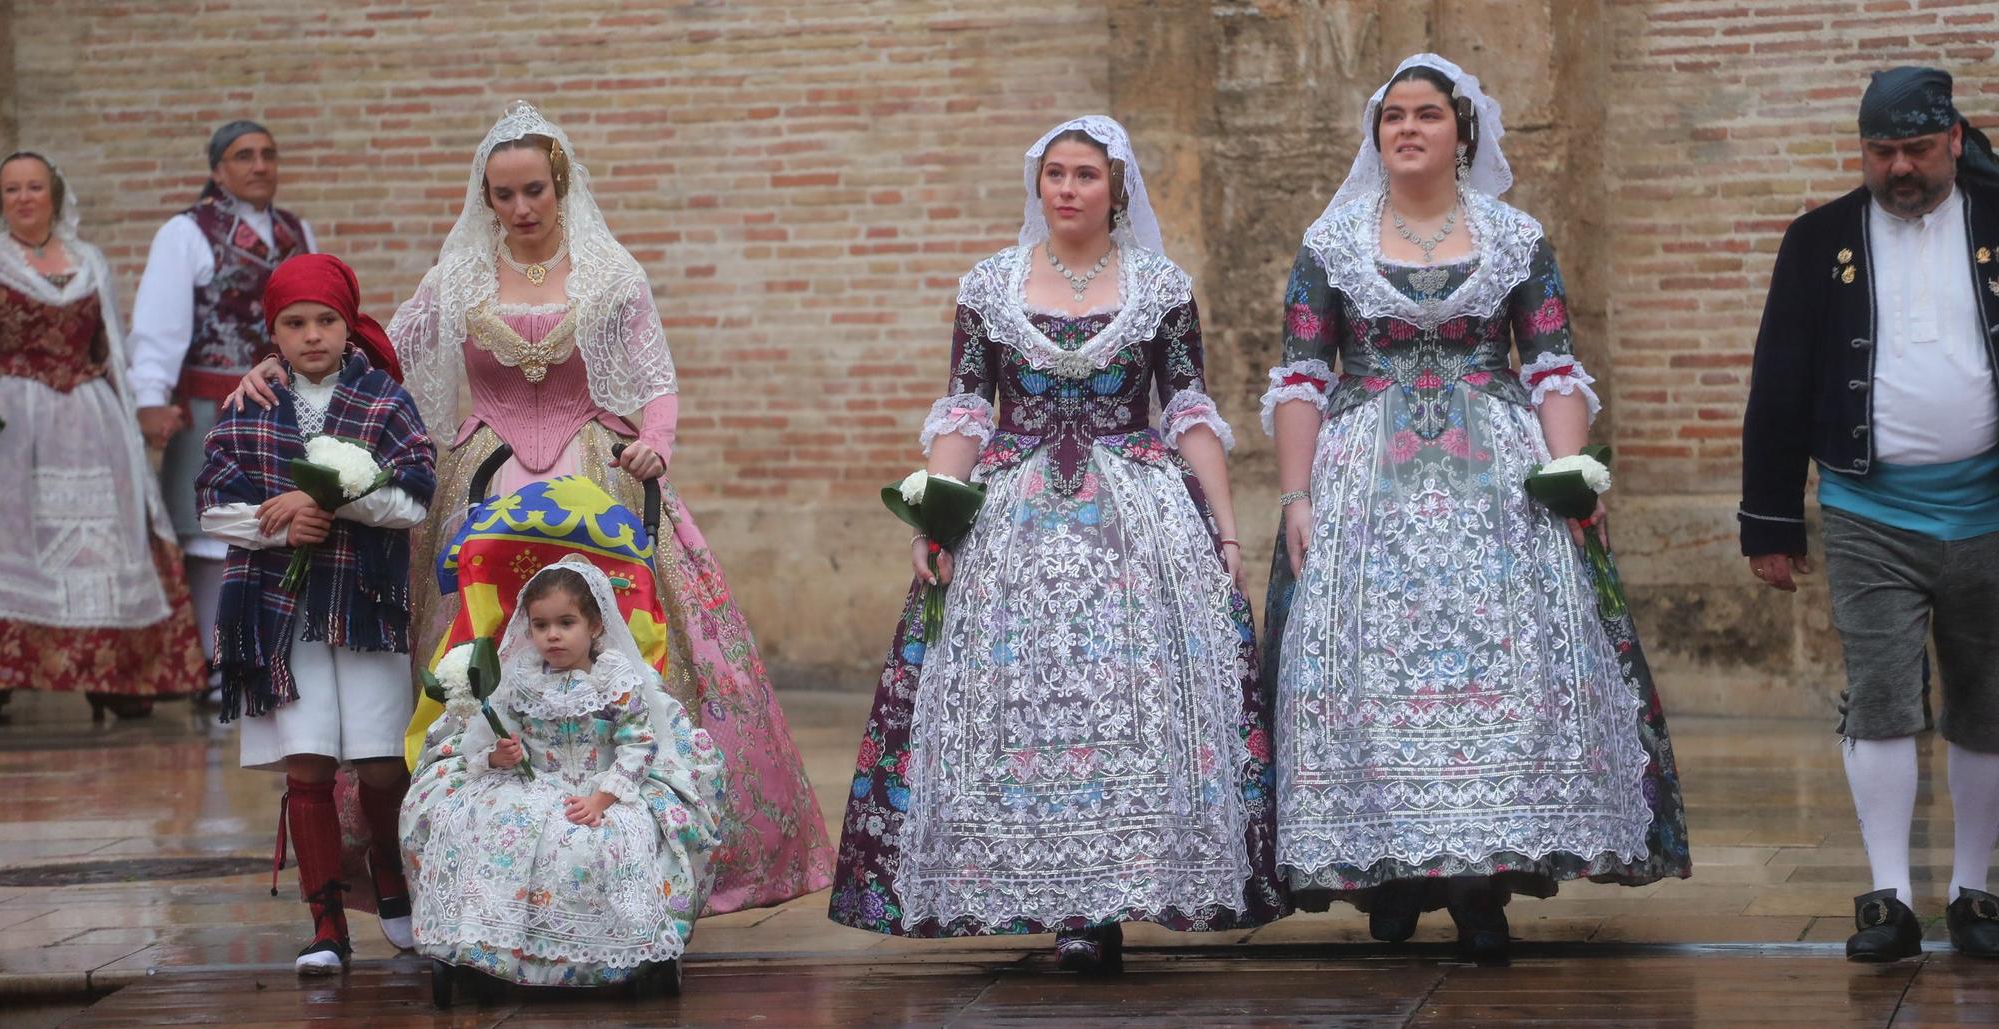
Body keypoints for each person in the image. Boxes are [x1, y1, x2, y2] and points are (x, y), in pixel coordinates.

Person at [229, 100, 830, 913]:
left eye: (534, 191)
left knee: (626, 648)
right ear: (486, 199)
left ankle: (639, 848)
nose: (520, 208)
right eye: (503, 195)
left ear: (560, 185)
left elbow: (656, 383)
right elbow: (371, 352)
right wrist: (272, 365)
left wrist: (655, 443)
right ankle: (483, 855)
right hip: (484, 480)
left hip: (597, 476)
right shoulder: (459, 276)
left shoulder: (614, 273)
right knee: (476, 655)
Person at [829, 115, 1285, 972]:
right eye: (1055, 174)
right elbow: (966, 407)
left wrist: (1224, 528)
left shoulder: (1159, 285)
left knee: (1134, 690)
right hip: (1012, 514)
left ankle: (1117, 889)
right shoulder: (989, 285)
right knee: (1018, 689)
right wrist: (937, 515)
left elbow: (1188, 408)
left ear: (1117, 189)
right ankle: (1048, 892)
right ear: (1038, 186)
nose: (1068, 188)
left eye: (1085, 174)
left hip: (1138, 512)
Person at [1263, 54, 1688, 963]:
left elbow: (1551, 364)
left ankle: (1479, 883)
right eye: (1392, 117)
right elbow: (1301, 377)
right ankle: (1391, 873)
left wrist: (1571, 468)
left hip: (1493, 480)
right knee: (1364, 681)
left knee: (1506, 673)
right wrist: (1296, 496)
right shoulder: (1331, 240)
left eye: (1425, 114)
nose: (1407, 129)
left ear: (1463, 131)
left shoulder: (1514, 235)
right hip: (1362, 483)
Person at [1742, 65, 1999, 962]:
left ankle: (1975, 893)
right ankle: (1888, 897)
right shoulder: (1819, 241)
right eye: (1881, 150)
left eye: (1918, 149)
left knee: (1988, 702)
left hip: (1991, 509)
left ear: (1956, 140)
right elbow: (1778, 382)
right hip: (1866, 509)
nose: (1899, 168)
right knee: (1883, 698)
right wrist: (1769, 521)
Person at [197, 254, 436, 976]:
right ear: (273, 330)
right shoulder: (248, 405)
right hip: (280, 615)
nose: (311, 335)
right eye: (294, 323)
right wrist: (279, 525)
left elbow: (415, 496)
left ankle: (389, 872)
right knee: (307, 764)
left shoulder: (384, 400)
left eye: (325, 320)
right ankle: (326, 918)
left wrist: (330, 499)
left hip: (364, 606)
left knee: (379, 759)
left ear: (348, 322)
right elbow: (213, 506)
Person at [401, 558, 723, 992]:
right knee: (495, 830)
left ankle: (619, 949)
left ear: (593, 626)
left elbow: (639, 743)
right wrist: (501, 755)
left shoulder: (618, 679)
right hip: (531, 786)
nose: (552, 635)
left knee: (602, 842)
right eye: (540, 625)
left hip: (605, 786)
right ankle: (490, 944)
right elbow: (486, 743)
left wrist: (603, 798)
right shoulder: (518, 681)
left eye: (565, 622)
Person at [0, 152, 206, 718]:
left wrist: (138, 411)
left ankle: (117, 675)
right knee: (15, 541)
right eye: (12, 189)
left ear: (54, 194)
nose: (23, 198)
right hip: (12, 422)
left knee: (107, 539)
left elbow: (111, 345)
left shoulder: (89, 261)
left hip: (91, 420)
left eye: (33, 187)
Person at [131, 121, 314, 694]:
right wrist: (150, 398)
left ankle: (276, 655)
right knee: (213, 534)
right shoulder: (186, 233)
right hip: (217, 408)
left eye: (268, 154)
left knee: (287, 526)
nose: (259, 165)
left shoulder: (296, 230)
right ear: (217, 170)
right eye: (243, 156)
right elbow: (160, 323)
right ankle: (216, 664)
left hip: (289, 407)